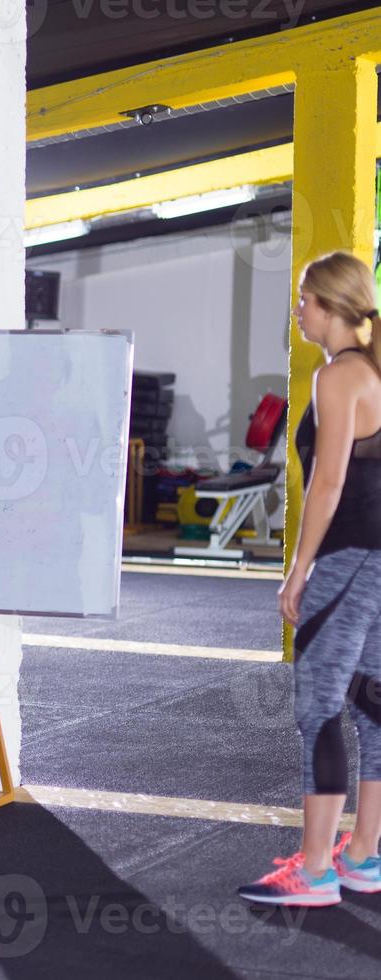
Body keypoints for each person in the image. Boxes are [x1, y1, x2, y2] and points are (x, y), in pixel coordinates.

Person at [239, 251, 381, 906]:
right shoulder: (375, 367)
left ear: (328, 306)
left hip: (351, 560)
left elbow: (327, 484)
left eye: (302, 300)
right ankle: (362, 856)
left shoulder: (338, 375)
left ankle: (316, 871)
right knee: (373, 708)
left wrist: (298, 571)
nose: (296, 311)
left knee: (317, 706)